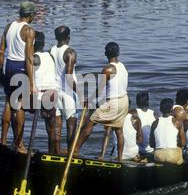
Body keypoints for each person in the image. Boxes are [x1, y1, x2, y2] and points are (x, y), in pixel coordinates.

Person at [75, 42, 129, 162]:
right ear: (118, 53)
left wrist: (89, 101)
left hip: (113, 102)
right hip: (124, 101)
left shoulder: (107, 69)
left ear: (105, 54)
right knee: (119, 130)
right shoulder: (123, 67)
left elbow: (100, 90)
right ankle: (120, 159)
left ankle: (75, 150)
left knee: (90, 122)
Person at [0, 1, 36, 153]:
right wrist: (31, 83)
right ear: (31, 15)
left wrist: (1, 71)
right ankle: (19, 144)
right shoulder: (29, 31)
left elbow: (1, 51)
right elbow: (29, 59)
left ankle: (3, 140)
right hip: (20, 67)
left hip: (9, 65)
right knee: (20, 106)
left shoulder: (9, 26)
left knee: (8, 102)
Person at [50, 26, 79, 154]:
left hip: (54, 91)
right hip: (67, 93)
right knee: (71, 125)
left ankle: (56, 153)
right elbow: (68, 77)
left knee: (56, 128)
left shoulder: (51, 50)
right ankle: (71, 154)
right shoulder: (70, 52)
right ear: (69, 38)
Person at [33, 31, 58, 153]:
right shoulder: (50, 55)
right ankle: (51, 152)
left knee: (19, 112)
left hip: (40, 94)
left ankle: (19, 144)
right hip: (52, 92)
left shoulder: (33, 58)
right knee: (51, 127)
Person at [150, 98, 186, 165]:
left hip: (158, 156)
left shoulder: (155, 123)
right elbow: (183, 143)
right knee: (180, 149)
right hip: (172, 156)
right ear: (172, 109)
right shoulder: (178, 122)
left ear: (160, 109)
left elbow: (152, 144)